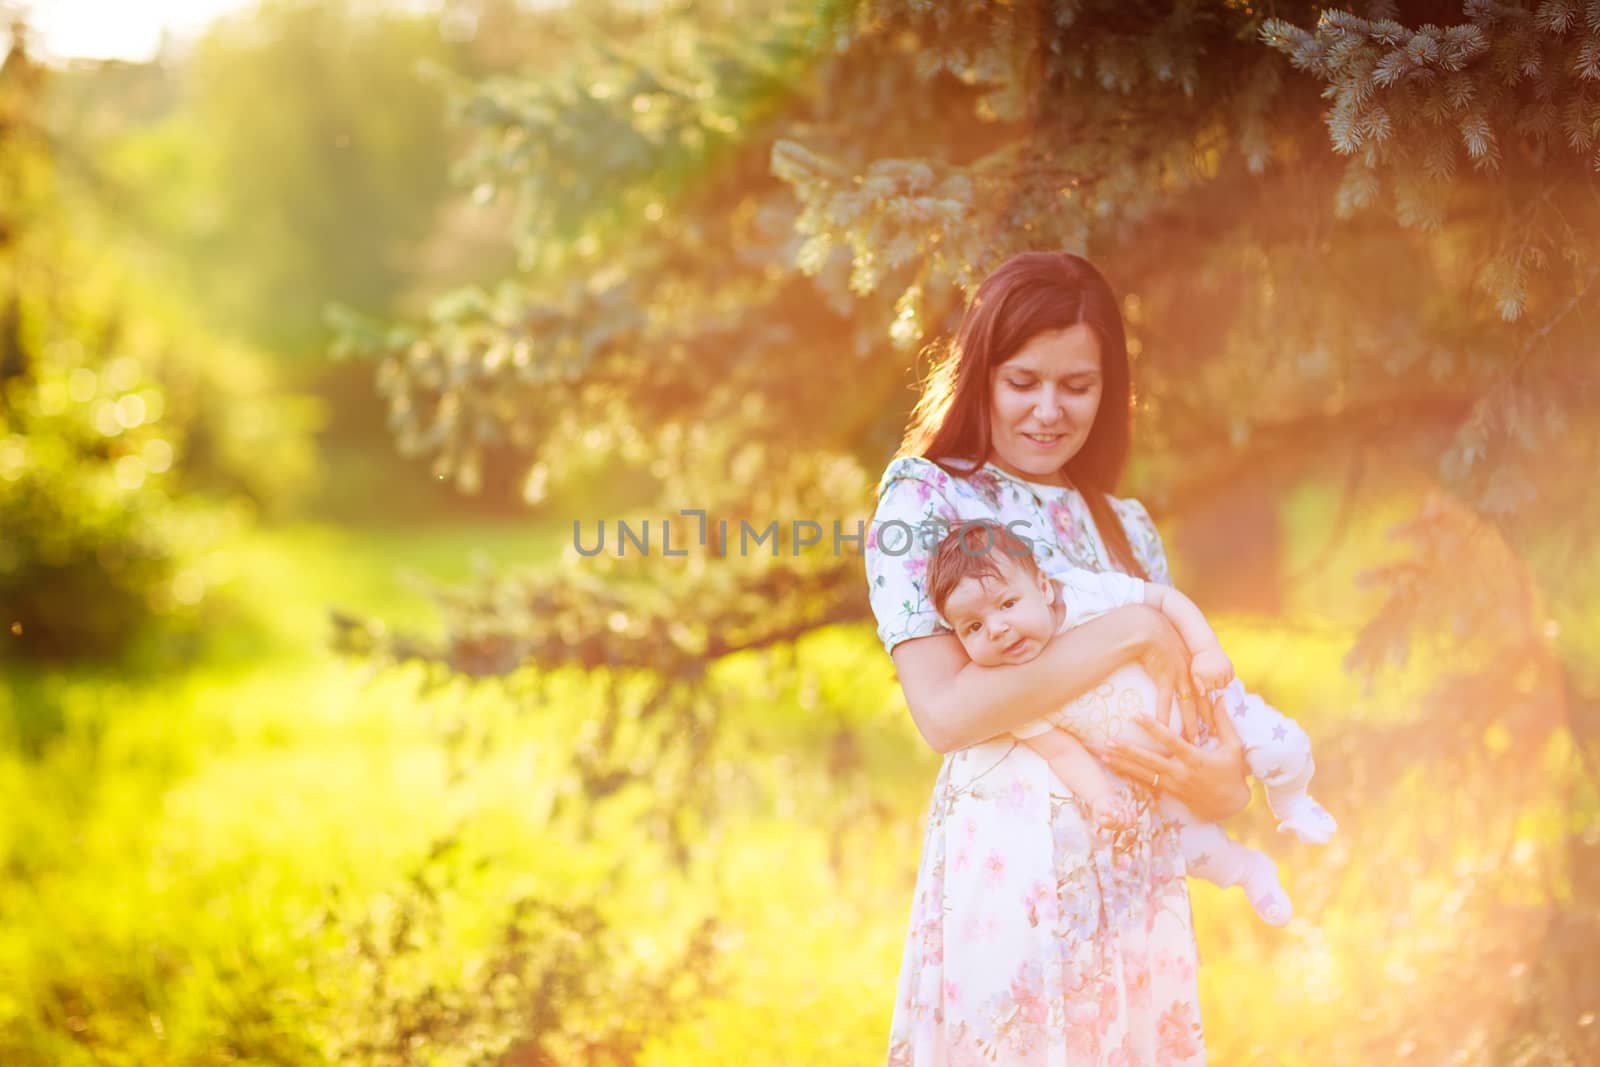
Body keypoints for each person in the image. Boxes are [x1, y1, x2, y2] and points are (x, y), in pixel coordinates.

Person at [866, 251, 1254, 1065]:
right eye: (1023, 381)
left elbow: (1198, 723)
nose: (1049, 409)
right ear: (982, 377)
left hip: (1135, 885)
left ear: (1110, 388)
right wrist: (1129, 631)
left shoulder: (1125, 526)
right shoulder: (928, 499)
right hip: (1012, 886)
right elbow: (946, 711)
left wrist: (1223, 779)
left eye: (1077, 386)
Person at [924, 519, 1336, 928]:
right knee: (1192, 851)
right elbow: (1061, 750)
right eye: (973, 627)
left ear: (1045, 588)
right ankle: (1249, 871)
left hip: (1216, 710)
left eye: (1008, 604)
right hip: (1157, 774)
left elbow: (1164, 601)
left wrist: (1206, 649)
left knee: (1285, 749)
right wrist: (1099, 796)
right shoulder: (1015, 696)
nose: (997, 629)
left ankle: (1292, 801)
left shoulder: (1088, 597)